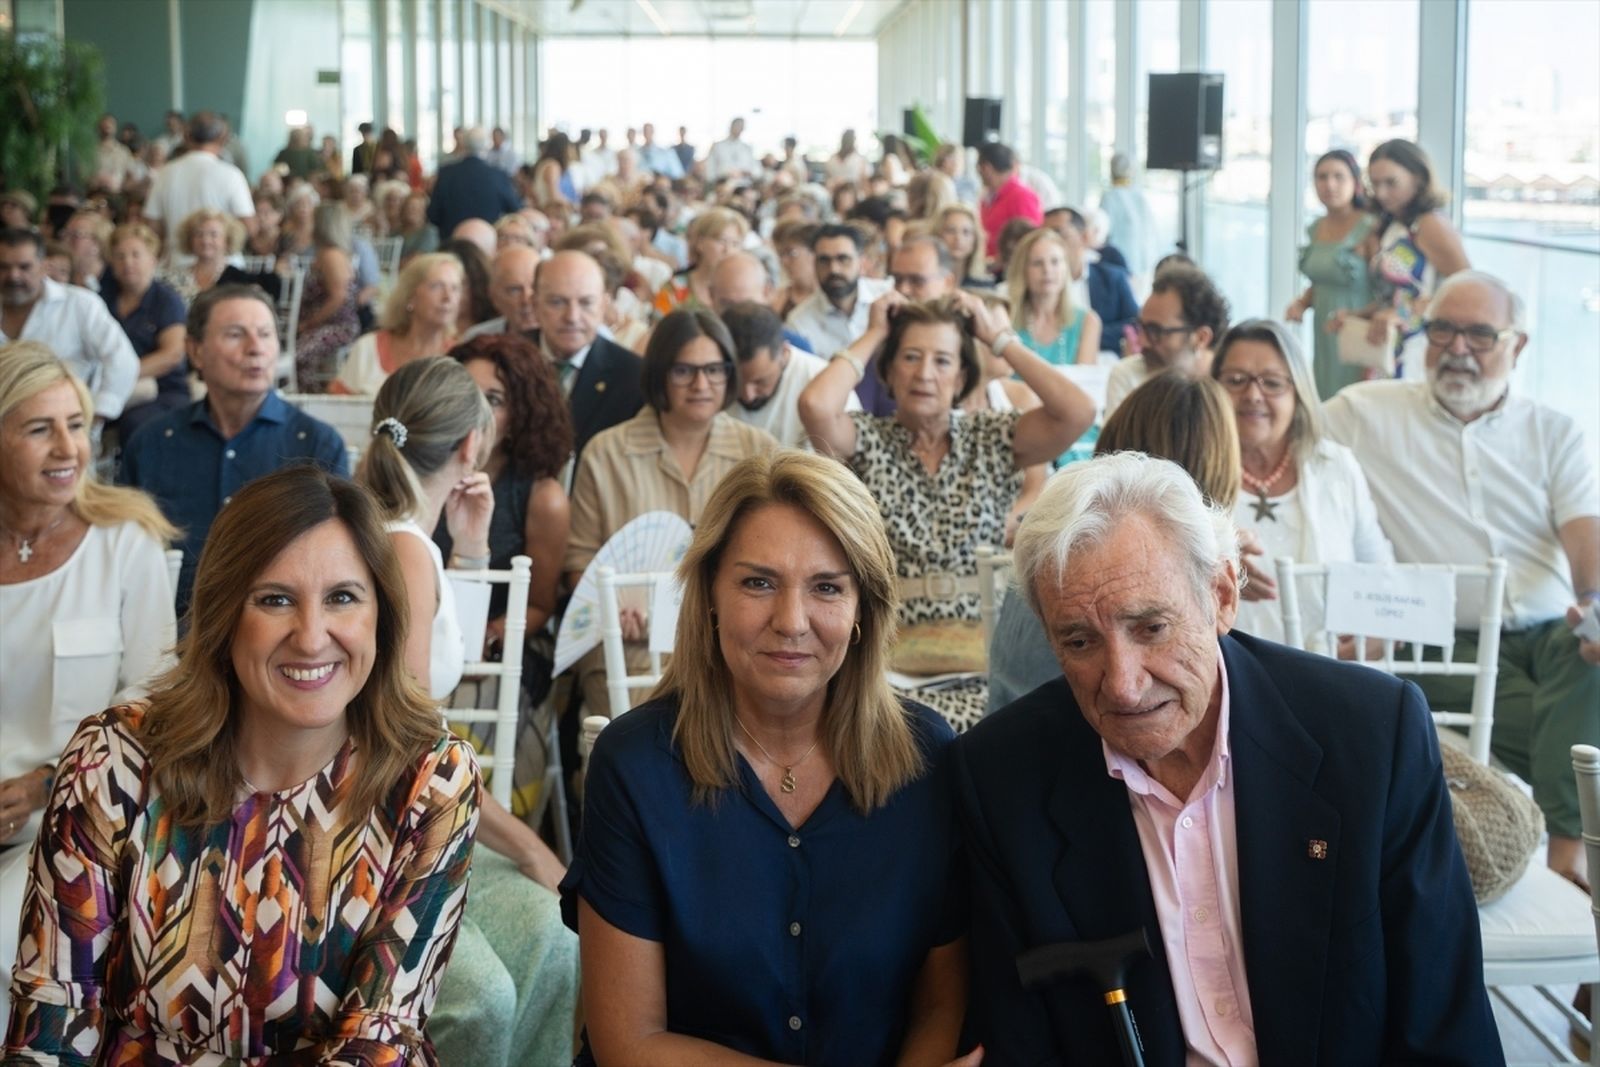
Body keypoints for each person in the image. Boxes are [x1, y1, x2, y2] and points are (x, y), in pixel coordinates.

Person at [955, 451, 1499, 1064]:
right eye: (1079, 642)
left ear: (1220, 596)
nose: (1123, 685)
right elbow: (1021, 1040)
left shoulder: (1371, 738)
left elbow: (1445, 1028)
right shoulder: (1002, 777)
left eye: (1150, 627)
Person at [4, 463, 482, 1061]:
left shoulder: (431, 780)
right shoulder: (115, 762)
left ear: (380, 618)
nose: (311, 636)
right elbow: (55, 1013)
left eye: (342, 598)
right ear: (225, 615)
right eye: (275, 599)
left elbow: (378, 1036)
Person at [561, 448, 972, 1066]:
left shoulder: (927, 759)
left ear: (863, 609)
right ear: (709, 596)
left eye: (827, 588)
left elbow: (942, 1007)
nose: (792, 621)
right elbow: (630, 1043)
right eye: (758, 583)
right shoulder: (635, 765)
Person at [1324, 270, 1599, 884]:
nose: (1457, 349)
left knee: (1593, 660)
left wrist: (1595, 603)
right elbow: (1280, 446)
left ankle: (1565, 854)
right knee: (1582, 742)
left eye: (1479, 334)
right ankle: (1570, 856)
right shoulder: (1363, 413)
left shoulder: (1554, 430)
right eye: (1443, 329)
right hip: (1447, 642)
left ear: (1517, 345)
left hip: (1553, 632)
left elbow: (1586, 533)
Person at [355, 357, 578, 1067]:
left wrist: (473, 541)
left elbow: (448, 656)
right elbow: (420, 754)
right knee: (488, 995)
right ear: (470, 447)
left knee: (555, 936)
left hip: (418, 816)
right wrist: (533, 844)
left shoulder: (407, 539)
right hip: (384, 831)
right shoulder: (404, 551)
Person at [800, 293, 1095, 732]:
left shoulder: (992, 436)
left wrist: (996, 338)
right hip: (889, 668)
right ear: (888, 371)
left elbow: (1078, 411)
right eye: (911, 357)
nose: (924, 374)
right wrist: (876, 331)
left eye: (942, 361)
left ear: (961, 377)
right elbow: (815, 406)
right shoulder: (867, 441)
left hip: (985, 666)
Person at [0, 345, 178, 1020]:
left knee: (10, 936)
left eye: (76, 424)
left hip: (77, 821)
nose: (68, 446)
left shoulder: (123, 541)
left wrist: (51, 780)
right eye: (39, 427)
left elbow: (152, 700)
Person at [986, 373, 1242, 714]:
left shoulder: (1056, 540)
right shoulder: (1064, 561)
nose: (1122, 685)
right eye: (1154, 628)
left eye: (1152, 629)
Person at [564, 309, 778, 717]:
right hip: (630, 649)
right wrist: (614, 608)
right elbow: (578, 563)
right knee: (638, 745)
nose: (701, 384)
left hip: (730, 648)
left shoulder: (759, 450)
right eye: (684, 371)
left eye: (714, 369)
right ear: (660, 373)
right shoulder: (606, 452)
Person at [119, 285, 348, 611]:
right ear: (196, 351)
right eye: (235, 334)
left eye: (266, 334)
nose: (255, 348)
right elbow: (126, 555)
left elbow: (336, 567)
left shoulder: (315, 445)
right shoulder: (153, 442)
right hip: (169, 631)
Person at [1211, 319, 1393, 648]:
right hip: (1230, 677)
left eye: (1272, 383)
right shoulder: (1190, 469)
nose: (1252, 395)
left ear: (1298, 393)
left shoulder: (1335, 466)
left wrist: (1372, 640)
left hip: (1332, 673)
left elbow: (1382, 581)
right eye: (1236, 381)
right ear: (1213, 389)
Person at [444, 334, 572, 662]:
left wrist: (488, 636)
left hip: (502, 649)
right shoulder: (422, 471)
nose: (476, 410)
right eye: (466, 394)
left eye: (494, 399)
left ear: (519, 416)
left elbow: (540, 605)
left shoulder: (543, 498)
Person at [1335, 139, 1470, 380]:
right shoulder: (1393, 226)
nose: (1382, 192)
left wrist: (1403, 314)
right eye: (1375, 183)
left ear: (1418, 178)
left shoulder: (1431, 224)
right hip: (1387, 349)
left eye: (1391, 182)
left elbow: (1467, 292)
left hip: (1419, 351)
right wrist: (1359, 316)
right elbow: (1395, 297)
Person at [0, 228, 138, 422]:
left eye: (24, 267)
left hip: (64, 427)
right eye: (3, 267)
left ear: (42, 265)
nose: (13, 276)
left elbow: (123, 361)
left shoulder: (80, 304)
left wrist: (97, 414)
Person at [1285, 149, 1379, 399]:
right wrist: (1302, 303)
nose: (1329, 184)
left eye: (1339, 177)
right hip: (1324, 330)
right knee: (1324, 395)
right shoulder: (1316, 228)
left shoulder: (1371, 227)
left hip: (1357, 329)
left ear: (1355, 182)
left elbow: (1388, 291)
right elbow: (1322, 281)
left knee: (1355, 401)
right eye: (1322, 177)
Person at [720, 300, 858, 449]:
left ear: (784, 353)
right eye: (737, 381)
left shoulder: (823, 385)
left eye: (761, 382)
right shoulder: (709, 380)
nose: (748, 395)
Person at [99, 222, 189, 439]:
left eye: (135, 255)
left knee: (136, 424)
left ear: (152, 259)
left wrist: (121, 375)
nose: (127, 262)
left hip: (163, 390)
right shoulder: (103, 297)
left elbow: (172, 355)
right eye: (120, 256)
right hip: (111, 386)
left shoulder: (166, 300)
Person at [1104, 264, 1230, 417]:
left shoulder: (1234, 384)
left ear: (1201, 338)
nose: (1142, 342)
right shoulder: (1128, 375)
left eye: (1155, 331)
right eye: (1141, 327)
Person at [333, 252, 462, 396]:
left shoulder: (462, 355)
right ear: (410, 296)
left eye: (455, 288)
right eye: (436, 286)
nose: (448, 297)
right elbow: (337, 408)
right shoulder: (368, 348)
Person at [142, 111, 256, 250]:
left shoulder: (165, 173)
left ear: (186, 136)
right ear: (222, 137)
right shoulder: (232, 175)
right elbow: (248, 227)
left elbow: (153, 226)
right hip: (222, 266)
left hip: (177, 264)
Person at [785, 223, 894, 358]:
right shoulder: (799, 322)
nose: (834, 269)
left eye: (843, 259)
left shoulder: (887, 296)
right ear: (814, 264)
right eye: (824, 261)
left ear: (861, 262)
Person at [1043, 206, 1139, 354]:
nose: (1050, 243)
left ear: (1084, 237)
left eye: (1058, 234)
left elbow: (1135, 324)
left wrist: (1088, 335)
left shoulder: (1112, 279)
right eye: (1044, 236)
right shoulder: (1038, 285)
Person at [1008, 227, 1101, 368]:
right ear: (1023, 271)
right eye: (1037, 263)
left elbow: (1084, 383)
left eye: (1055, 262)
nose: (1047, 270)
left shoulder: (1088, 321)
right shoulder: (1006, 318)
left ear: (1066, 268)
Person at [294, 203, 361, 390]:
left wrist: (309, 323)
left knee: (297, 358)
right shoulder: (325, 253)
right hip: (325, 325)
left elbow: (338, 297)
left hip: (338, 326)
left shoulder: (331, 255)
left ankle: (311, 400)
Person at [429, 128, 524, 240]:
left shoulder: (446, 174)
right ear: (486, 146)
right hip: (488, 243)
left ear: (463, 145)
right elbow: (515, 209)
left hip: (452, 243)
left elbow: (433, 215)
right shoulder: (498, 175)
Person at [651, 206, 746, 316]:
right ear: (700, 243)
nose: (728, 250)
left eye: (735, 244)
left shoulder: (743, 292)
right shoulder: (674, 287)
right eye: (721, 240)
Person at [159, 207, 246, 305]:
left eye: (213, 234)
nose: (205, 241)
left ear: (227, 240)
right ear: (190, 240)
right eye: (199, 234)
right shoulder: (172, 280)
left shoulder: (239, 279)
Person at [976, 142, 1042, 262]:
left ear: (986, 168)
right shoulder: (989, 197)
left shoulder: (1021, 196)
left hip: (1009, 270)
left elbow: (1031, 240)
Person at [934, 203, 991, 289]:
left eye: (966, 232)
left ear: (975, 240)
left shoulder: (984, 285)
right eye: (951, 230)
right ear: (938, 234)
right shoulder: (927, 281)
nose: (958, 238)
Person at [706, 116, 757, 184]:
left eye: (741, 126)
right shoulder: (718, 146)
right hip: (722, 183)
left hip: (744, 185)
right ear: (731, 126)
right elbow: (710, 171)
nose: (738, 129)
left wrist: (744, 173)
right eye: (737, 125)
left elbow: (756, 171)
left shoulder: (747, 148)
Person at [398, 191, 440, 264]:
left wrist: (393, 264)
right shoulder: (395, 232)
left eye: (415, 208)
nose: (411, 211)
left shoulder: (429, 232)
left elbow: (417, 260)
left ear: (424, 211)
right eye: (408, 207)